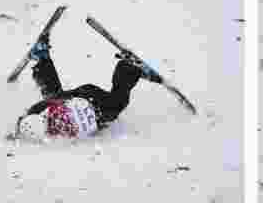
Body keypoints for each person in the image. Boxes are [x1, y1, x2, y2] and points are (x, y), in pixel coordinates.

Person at [12, 29, 156, 141]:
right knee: (53, 95)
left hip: (95, 104)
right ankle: (43, 58)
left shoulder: (60, 133)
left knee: (117, 104)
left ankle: (128, 68)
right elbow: (36, 110)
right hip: (84, 94)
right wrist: (19, 127)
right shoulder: (41, 111)